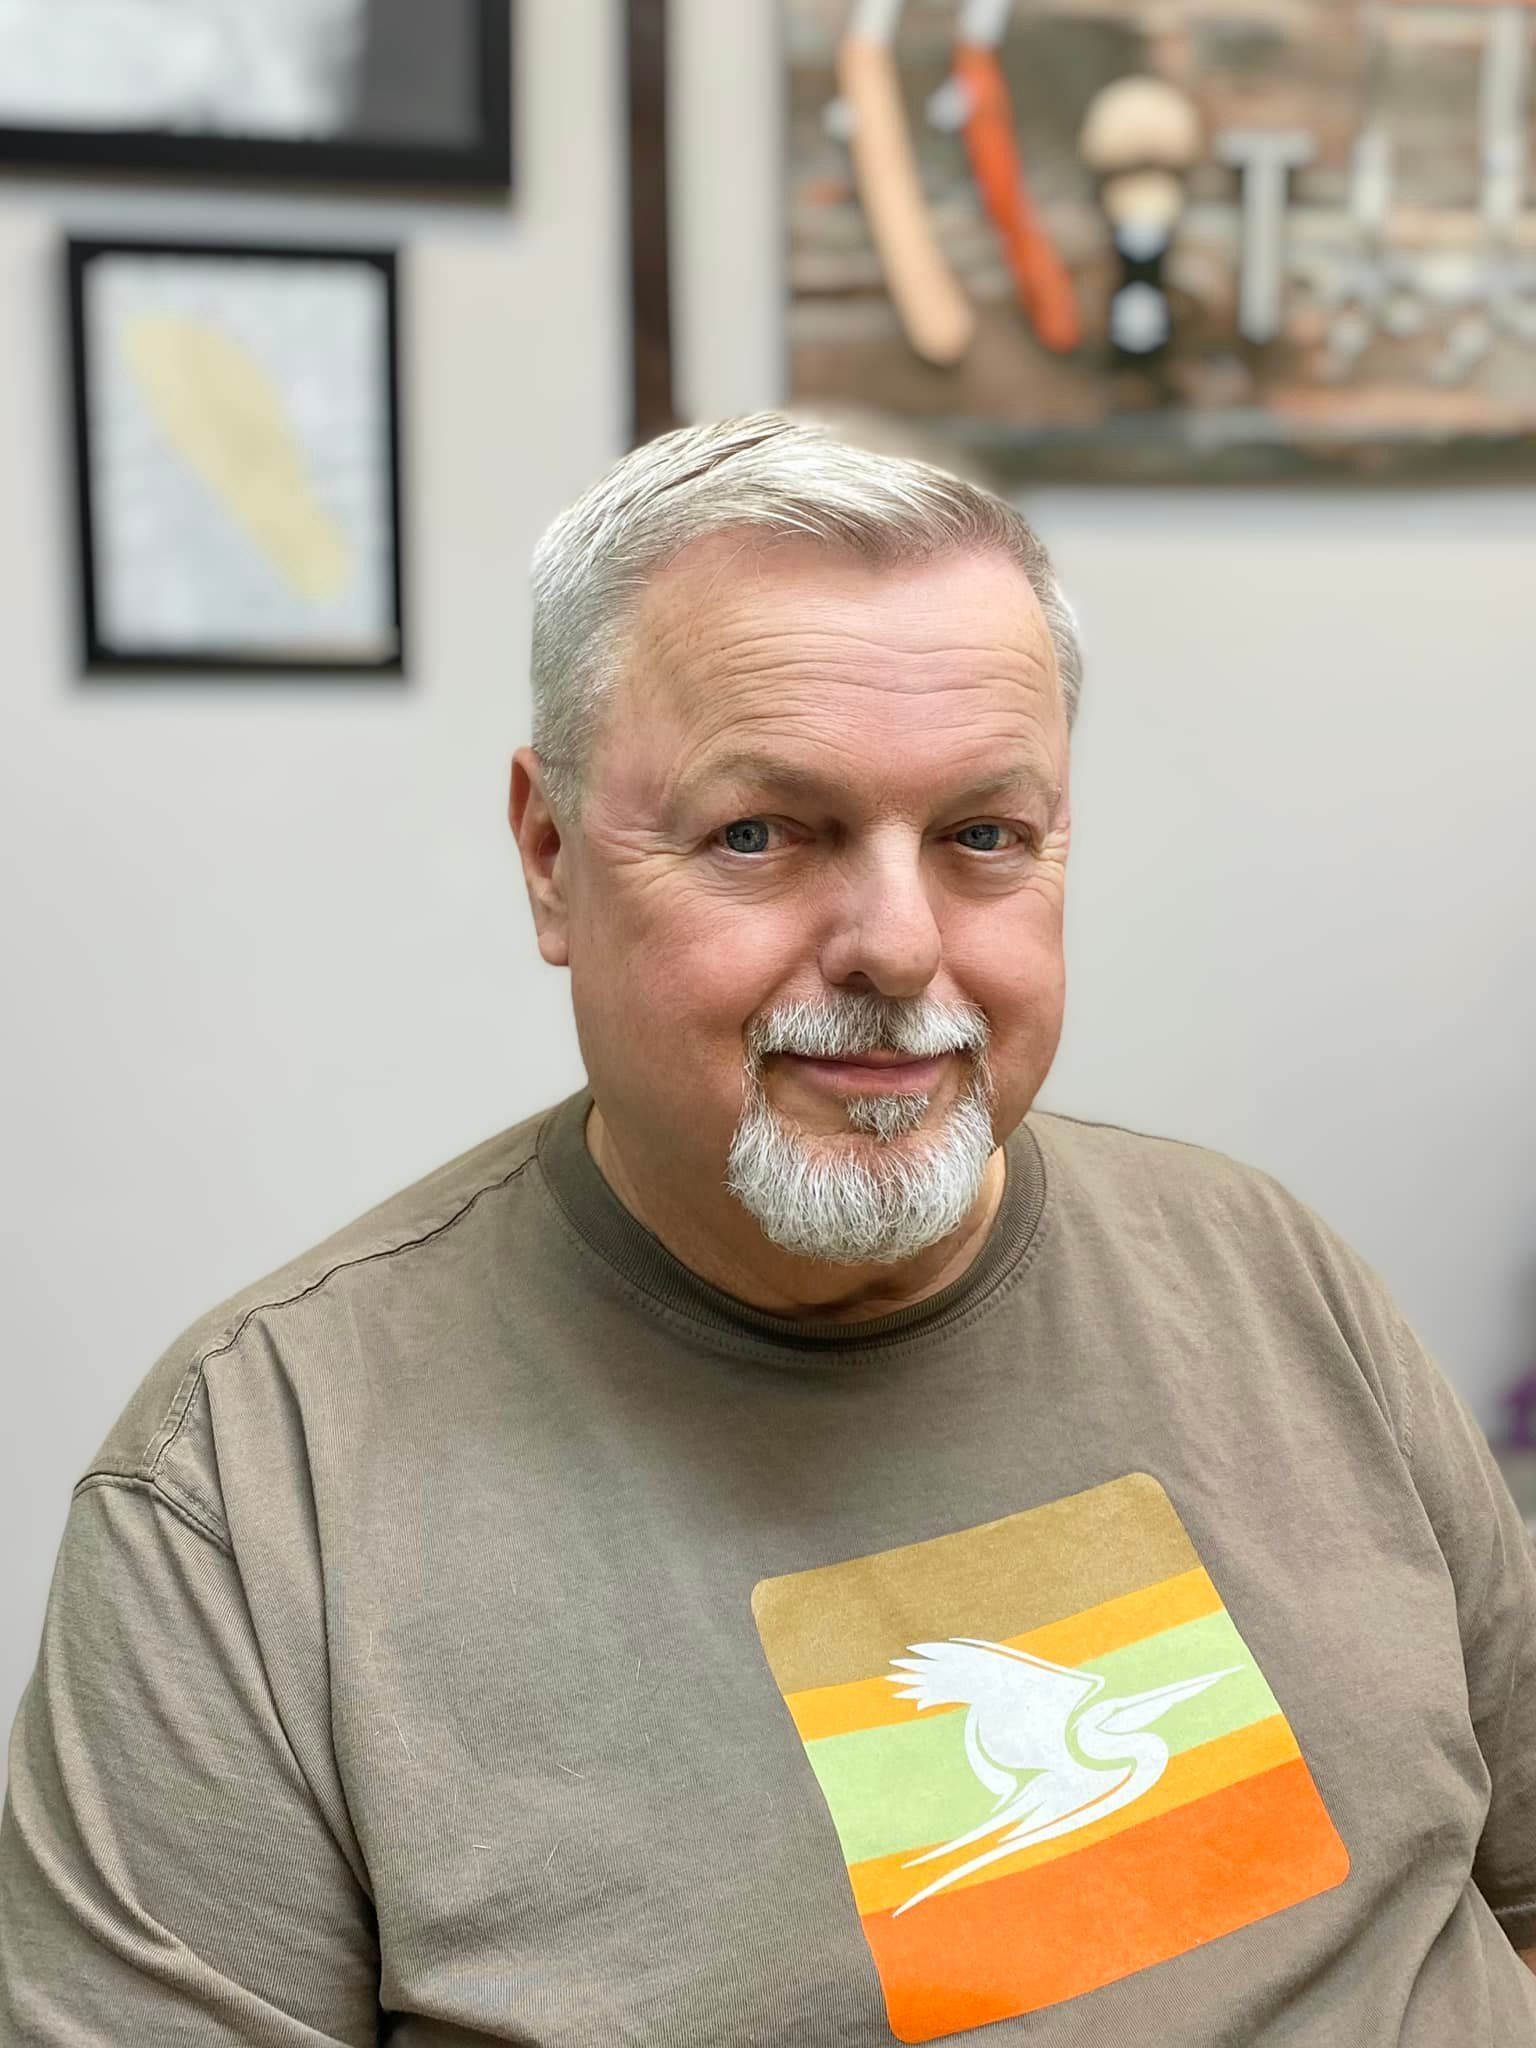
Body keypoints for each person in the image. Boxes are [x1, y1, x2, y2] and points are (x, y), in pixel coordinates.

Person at [2, 413, 1533, 2045]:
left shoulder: (1270, 1272)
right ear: (550, 858)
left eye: (983, 838)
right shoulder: (252, 1493)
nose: (896, 944)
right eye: (762, 832)